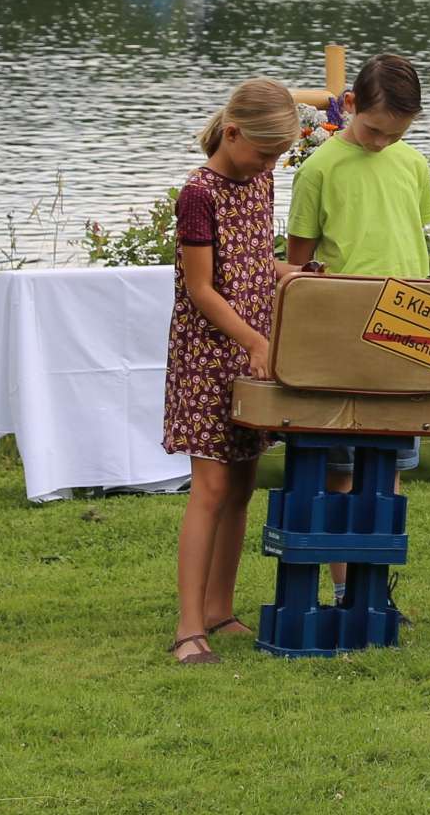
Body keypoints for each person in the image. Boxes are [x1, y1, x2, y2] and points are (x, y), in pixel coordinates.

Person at [285, 53, 430, 611]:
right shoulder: (319, 170)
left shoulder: (412, 164)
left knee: (390, 470)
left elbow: (410, 240)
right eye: (373, 130)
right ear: (349, 105)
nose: (380, 143)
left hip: (407, 336)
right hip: (344, 339)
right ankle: (346, 588)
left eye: (395, 135)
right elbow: (297, 267)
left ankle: (377, 589)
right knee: (344, 472)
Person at [163, 77, 303, 664]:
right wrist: (252, 339)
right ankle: (187, 627)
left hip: (251, 350)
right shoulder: (199, 194)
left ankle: (220, 612)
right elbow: (201, 288)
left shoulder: (259, 177)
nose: (269, 164)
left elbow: (249, 259)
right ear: (232, 132)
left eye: (278, 157)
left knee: (243, 483)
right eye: (265, 152)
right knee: (211, 486)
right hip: (207, 354)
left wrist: (287, 274)